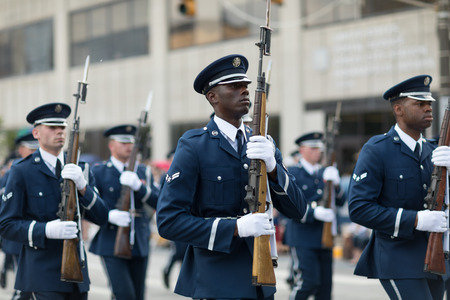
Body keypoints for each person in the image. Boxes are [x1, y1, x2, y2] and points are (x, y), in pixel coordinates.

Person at [156, 54, 307, 300]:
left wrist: (273, 167)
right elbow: (169, 222)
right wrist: (235, 227)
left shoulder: (262, 143)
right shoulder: (194, 146)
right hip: (216, 281)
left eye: (245, 86)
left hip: (261, 281)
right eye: (234, 86)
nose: (244, 91)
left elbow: (299, 209)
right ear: (212, 97)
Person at [348, 74, 450, 300]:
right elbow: (359, 208)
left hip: (436, 256)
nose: (428, 108)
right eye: (419, 103)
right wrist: (416, 220)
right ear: (398, 109)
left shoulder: (435, 151)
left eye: (429, 104)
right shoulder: (378, 150)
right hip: (398, 258)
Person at [0, 102, 108, 300]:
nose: (59, 132)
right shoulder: (22, 171)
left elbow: (102, 217)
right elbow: (6, 225)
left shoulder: (79, 169)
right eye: (52, 127)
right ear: (36, 133)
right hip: (41, 273)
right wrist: (46, 230)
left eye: (62, 127)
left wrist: (83, 187)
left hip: (76, 274)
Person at [89, 124, 159, 300]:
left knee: (138, 295)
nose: (129, 147)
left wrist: (139, 187)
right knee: (124, 294)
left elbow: (159, 201)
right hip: (111, 241)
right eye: (123, 142)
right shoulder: (99, 171)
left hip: (139, 240)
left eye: (132, 143)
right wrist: (109, 216)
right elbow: (90, 206)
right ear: (111, 145)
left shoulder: (143, 171)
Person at [284, 132, 346, 300]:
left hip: (325, 237)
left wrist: (337, 184)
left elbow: (340, 201)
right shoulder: (293, 173)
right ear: (302, 150)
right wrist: (313, 212)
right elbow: (290, 205)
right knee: (307, 283)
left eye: (319, 149)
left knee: (325, 289)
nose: (317, 152)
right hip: (302, 236)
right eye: (313, 148)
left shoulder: (326, 172)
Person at [0, 129, 39, 300]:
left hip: (41, 236)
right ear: (21, 150)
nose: (34, 153)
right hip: (18, 236)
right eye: (31, 149)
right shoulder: (11, 174)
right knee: (23, 288)